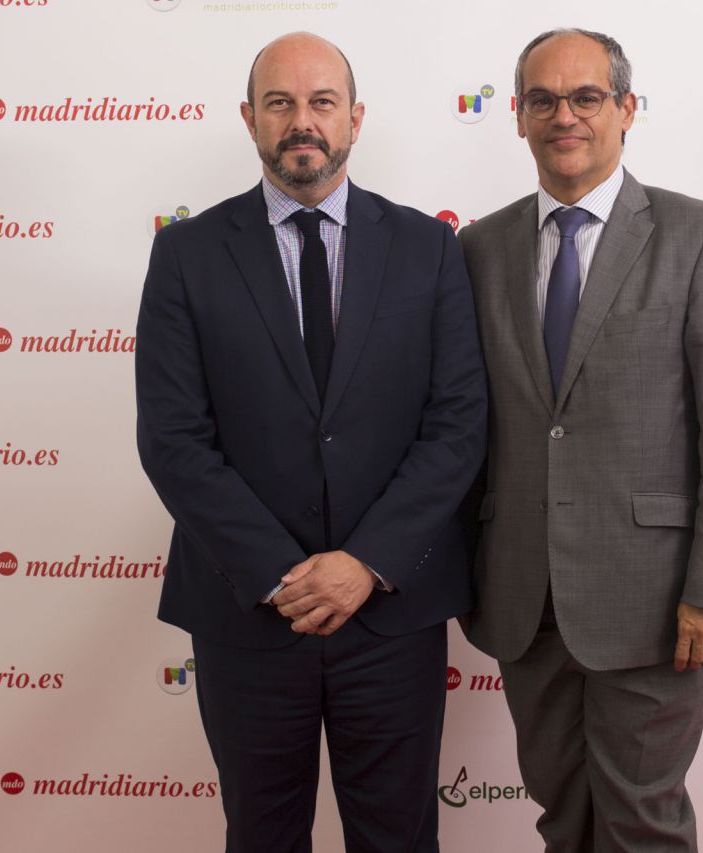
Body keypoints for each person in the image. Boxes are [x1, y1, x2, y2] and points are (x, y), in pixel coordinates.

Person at [135, 32, 486, 853]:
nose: (303, 122)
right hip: (249, 614)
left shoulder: (429, 248)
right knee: (262, 837)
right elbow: (174, 438)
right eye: (281, 103)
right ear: (250, 120)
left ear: (355, 119)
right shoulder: (186, 255)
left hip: (391, 614)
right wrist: (282, 576)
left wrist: (365, 563)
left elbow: (458, 423)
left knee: (398, 839)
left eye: (322, 102)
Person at [458, 28, 703, 852]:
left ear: (626, 109)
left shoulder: (700, 236)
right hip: (526, 597)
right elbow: (468, 425)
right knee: (564, 816)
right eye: (543, 99)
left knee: (642, 821)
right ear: (517, 118)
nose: (565, 115)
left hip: (656, 602)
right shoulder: (479, 248)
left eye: (586, 96)